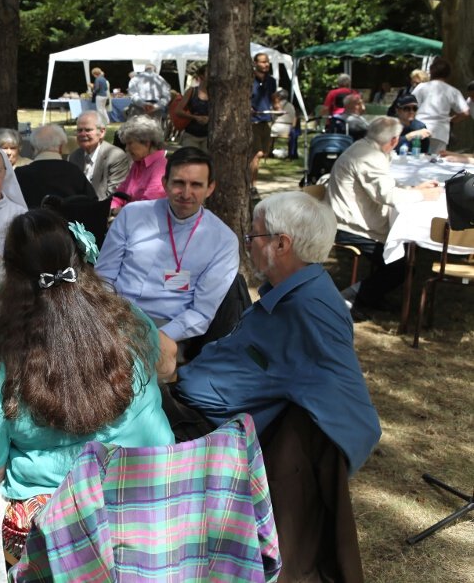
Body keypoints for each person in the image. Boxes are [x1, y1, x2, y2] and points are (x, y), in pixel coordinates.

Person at [0, 209, 174, 559]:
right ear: (80, 257)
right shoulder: (130, 321)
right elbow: (167, 361)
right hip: (150, 495)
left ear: (11, 275)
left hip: (57, 524)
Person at [171, 191, 381, 475]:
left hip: (201, 432)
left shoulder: (312, 311)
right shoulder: (290, 291)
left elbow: (357, 416)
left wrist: (324, 486)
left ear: (281, 244)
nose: (248, 244)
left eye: (254, 236)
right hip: (186, 403)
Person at [95, 147, 238, 347]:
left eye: (196, 185)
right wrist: (107, 318)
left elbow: (201, 313)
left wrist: (155, 338)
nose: (186, 193)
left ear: (210, 188)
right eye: (179, 183)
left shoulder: (223, 240)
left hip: (170, 330)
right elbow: (104, 276)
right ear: (165, 183)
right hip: (115, 315)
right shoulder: (132, 215)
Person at [325, 116, 441, 315]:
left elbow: (385, 187)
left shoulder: (365, 148)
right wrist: (422, 194)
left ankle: (370, 296)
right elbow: (388, 195)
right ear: (394, 140)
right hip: (348, 226)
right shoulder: (370, 156)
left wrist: (412, 188)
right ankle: (350, 298)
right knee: (401, 266)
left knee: (402, 254)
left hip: (348, 219)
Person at [14, 124, 96, 209]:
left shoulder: (21, 174)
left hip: (32, 221)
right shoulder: (74, 171)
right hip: (67, 221)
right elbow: (92, 202)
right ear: (61, 147)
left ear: (33, 148)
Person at [110, 115, 167, 213]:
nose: (126, 148)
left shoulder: (161, 167)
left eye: (130, 143)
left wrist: (119, 212)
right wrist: (111, 208)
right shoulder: (137, 164)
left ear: (146, 143)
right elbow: (120, 193)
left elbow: (148, 205)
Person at [68, 111, 130, 200]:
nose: (82, 134)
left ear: (102, 132)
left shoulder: (115, 156)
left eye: (88, 130)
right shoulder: (74, 157)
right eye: (79, 130)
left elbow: (114, 195)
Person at [412, 57, 469, 153]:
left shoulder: (421, 87)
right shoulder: (452, 91)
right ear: (448, 74)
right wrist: (452, 120)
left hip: (419, 128)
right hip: (440, 131)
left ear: (431, 72)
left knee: (415, 158)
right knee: (435, 163)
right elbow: (465, 112)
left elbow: (411, 105)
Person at [176, 63, 211, 151]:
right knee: (191, 160)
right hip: (191, 135)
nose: (212, 74)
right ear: (202, 76)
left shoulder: (216, 94)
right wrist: (195, 117)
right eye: (209, 72)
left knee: (205, 162)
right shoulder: (192, 91)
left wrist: (209, 118)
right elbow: (178, 111)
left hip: (208, 137)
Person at [250, 52, 277, 158]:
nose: (266, 64)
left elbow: (274, 98)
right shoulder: (248, 79)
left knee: (264, 153)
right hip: (252, 122)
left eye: (268, 62)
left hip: (266, 120)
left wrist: (278, 108)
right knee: (257, 154)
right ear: (255, 63)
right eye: (263, 62)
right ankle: (252, 175)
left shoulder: (271, 81)